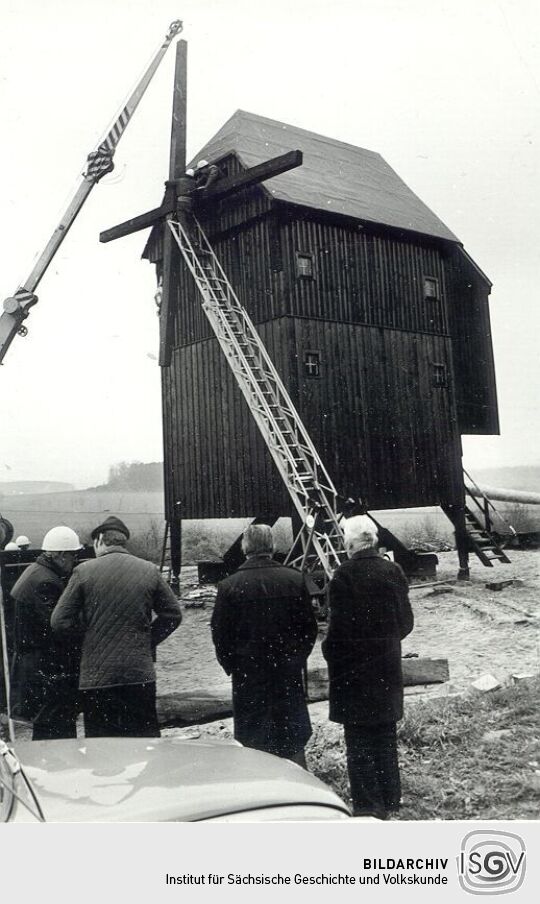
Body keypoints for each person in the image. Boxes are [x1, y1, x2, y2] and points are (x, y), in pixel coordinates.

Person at [51, 515, 182, 738]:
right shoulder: (149, 570)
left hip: (96, 678)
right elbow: (173, 614)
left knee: (103, 749)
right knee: (144, 743)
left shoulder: (83, 572)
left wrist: (88, 641)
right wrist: (148, 639)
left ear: (100, 540)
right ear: (123, 542)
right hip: (139, 675)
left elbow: (59, 621)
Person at [322, 515, 414, 819]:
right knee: (385, 735)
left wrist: (331, 653)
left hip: (353, 672)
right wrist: (384, 643)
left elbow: (337, 632)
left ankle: (368, 806)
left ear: (349, 542)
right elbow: (406, 623)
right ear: (373, 539)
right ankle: (391, 800)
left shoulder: (343, 576)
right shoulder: (393, 571)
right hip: (386, 667)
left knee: (359, 739)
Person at [211, 523, 317, 766]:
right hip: (287, 674)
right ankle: (299, 793)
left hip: (248, 677)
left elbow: (220, 636)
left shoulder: (228, 586)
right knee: (292, 741)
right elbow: (309, 630)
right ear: (272, 546)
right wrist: (297, 659)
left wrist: (233, 666)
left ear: (245, 547)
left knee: (254, 744)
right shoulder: (294, 579)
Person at [10, 525, 82, 740]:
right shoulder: (46, 582)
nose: (74, 561)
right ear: (60, 555)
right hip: (45, 664)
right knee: (56, 724)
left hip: (34, 662)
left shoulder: (37, 571)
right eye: (73, 556)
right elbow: (58, 627)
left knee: (48, 723)